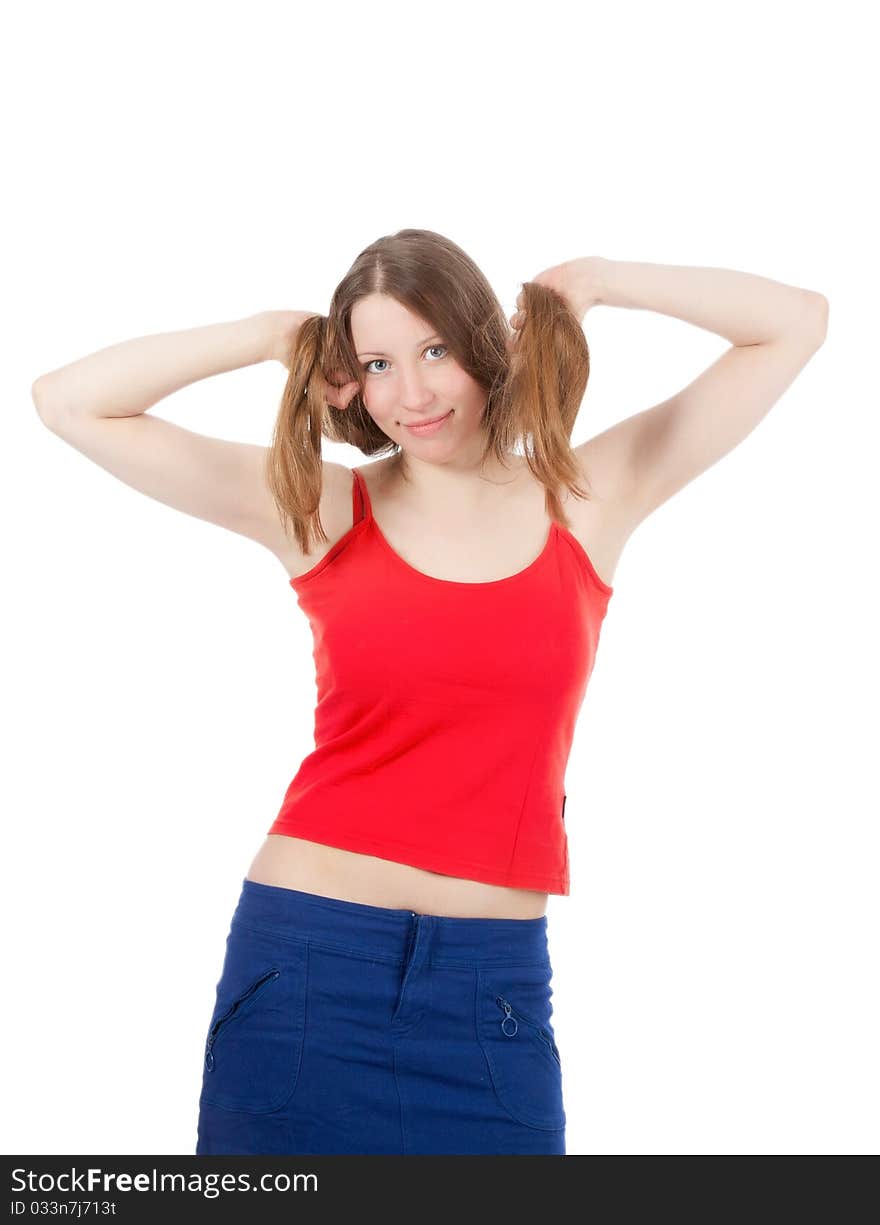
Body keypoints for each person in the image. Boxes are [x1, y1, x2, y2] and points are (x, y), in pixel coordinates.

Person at [31, 229, 828, 1155]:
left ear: (487, 342)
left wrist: (601, 281)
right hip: (309, 968)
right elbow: (71, 403)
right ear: (350, 381)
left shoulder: (587, 497)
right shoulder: (323, 508)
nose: (411, 393)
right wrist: (269, 335)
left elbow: (796, 324)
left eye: (435, 350)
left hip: (491, 996)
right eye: (377, 362)